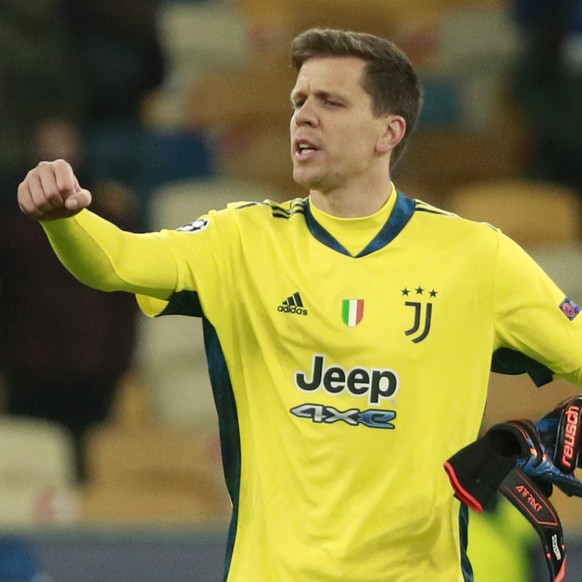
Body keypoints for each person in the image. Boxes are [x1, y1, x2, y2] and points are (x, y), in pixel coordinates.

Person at [16, 28, 582, 581]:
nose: (303, 116)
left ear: (389, 131)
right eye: (298, 101)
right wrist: (66, 220)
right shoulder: (240, 241)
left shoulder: (475, 256)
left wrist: (557, 434)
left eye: (331, 102)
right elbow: (118, 263)